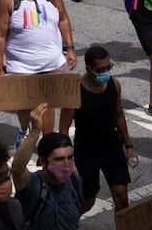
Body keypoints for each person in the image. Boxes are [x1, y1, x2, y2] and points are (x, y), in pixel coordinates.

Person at [0, 0, 76, 142]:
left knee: (48, 106)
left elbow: (63, 18)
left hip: (51, 62)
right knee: (25, 107)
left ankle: (47, 144)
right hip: (22, 66)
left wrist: (69, 47)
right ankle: (24, 130)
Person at [59, 46, 138, 213]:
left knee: (122, 198)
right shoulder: (75, 91)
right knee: (87, 201)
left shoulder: (114, 85)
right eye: (99, 69)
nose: (104, 72)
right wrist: (69, 161)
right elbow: (63, 129)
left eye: (107, 68)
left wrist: (129, 146)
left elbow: (118, 116)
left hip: (112, 149)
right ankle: (67, 228)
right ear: (88, 68)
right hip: (86, 153)